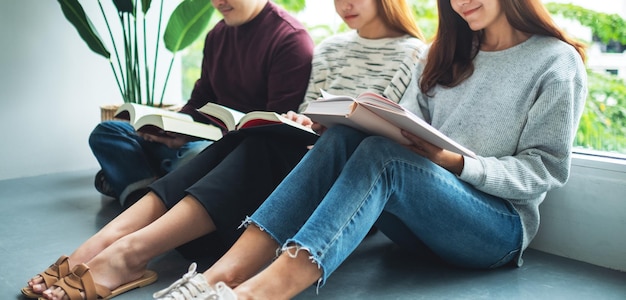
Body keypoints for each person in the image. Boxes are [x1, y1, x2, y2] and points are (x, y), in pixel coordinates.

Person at [152, 0, 589, 299]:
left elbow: (545, 168)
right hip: (418, 224)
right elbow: (409, 128)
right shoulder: (443, 53)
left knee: (385, 159)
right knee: (348, 136)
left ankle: (258, 293)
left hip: (496, 230)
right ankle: (218, 277)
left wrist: (456, 163)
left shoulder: (555, 60)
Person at [25, 0, 426, 299]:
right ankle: (111, 243)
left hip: (352, 183)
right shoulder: (331, 48)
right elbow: (307, 111)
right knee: (245, 139)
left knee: (256, 145)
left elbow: (392, 132)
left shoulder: (413, 53)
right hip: (291, 153)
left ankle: (129, 252)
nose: (345, 5)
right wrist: (304, 121)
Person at [88, 0, 314, 208]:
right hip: (198, 142)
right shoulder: (217, 35)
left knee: (196, 157)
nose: (219, 2)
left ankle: (138, 186)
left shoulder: (290, 39)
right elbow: (199, 101)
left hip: (234, 153)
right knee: (108, 132)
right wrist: (174, 129)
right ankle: (152, 193)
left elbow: (276, 132)